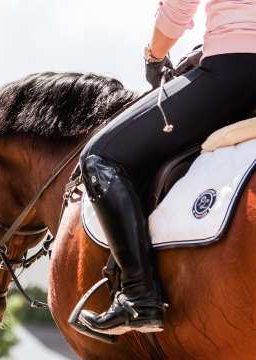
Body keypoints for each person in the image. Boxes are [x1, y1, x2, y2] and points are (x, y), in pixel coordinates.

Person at [75, 0, 256, 335]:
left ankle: (138, 296)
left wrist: (154, 56)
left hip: (236, 69)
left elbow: (177, 9)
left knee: (100, 158)